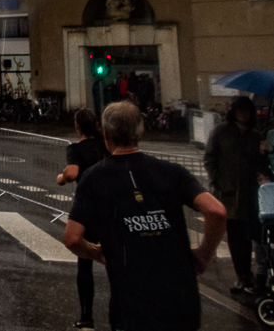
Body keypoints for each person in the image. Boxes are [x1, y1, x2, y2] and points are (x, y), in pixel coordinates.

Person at [64, 102, 227, 331]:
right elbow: (216, 211)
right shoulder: (172, 172)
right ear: (141, 132)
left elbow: (72, 238)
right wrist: (203, 254)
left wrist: (96, 252)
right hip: (181, 300)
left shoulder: (94, 178)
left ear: (106, 133)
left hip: (132, 301)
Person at [204, 95, 268, 294]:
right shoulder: (221, 132)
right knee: (237, 240)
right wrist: (219, 182)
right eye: (239, 110)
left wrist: (264, 154)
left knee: (256, 237)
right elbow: (210, 158)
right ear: (233, 112)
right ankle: (243, 277)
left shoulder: (255, 135)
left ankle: (259, 276)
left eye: (246, 110)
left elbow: (260, 164)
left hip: (251, 195)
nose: (243, 114)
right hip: (229, 196)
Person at [57, 109, 108, 329]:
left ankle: (86, 316)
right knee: (117, 261)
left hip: (88, 209)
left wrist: (61, 178)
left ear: (77, 126)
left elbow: (71, 174)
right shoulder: (107, 145)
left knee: (85, 263)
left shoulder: (76, 149)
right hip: (110, 207)